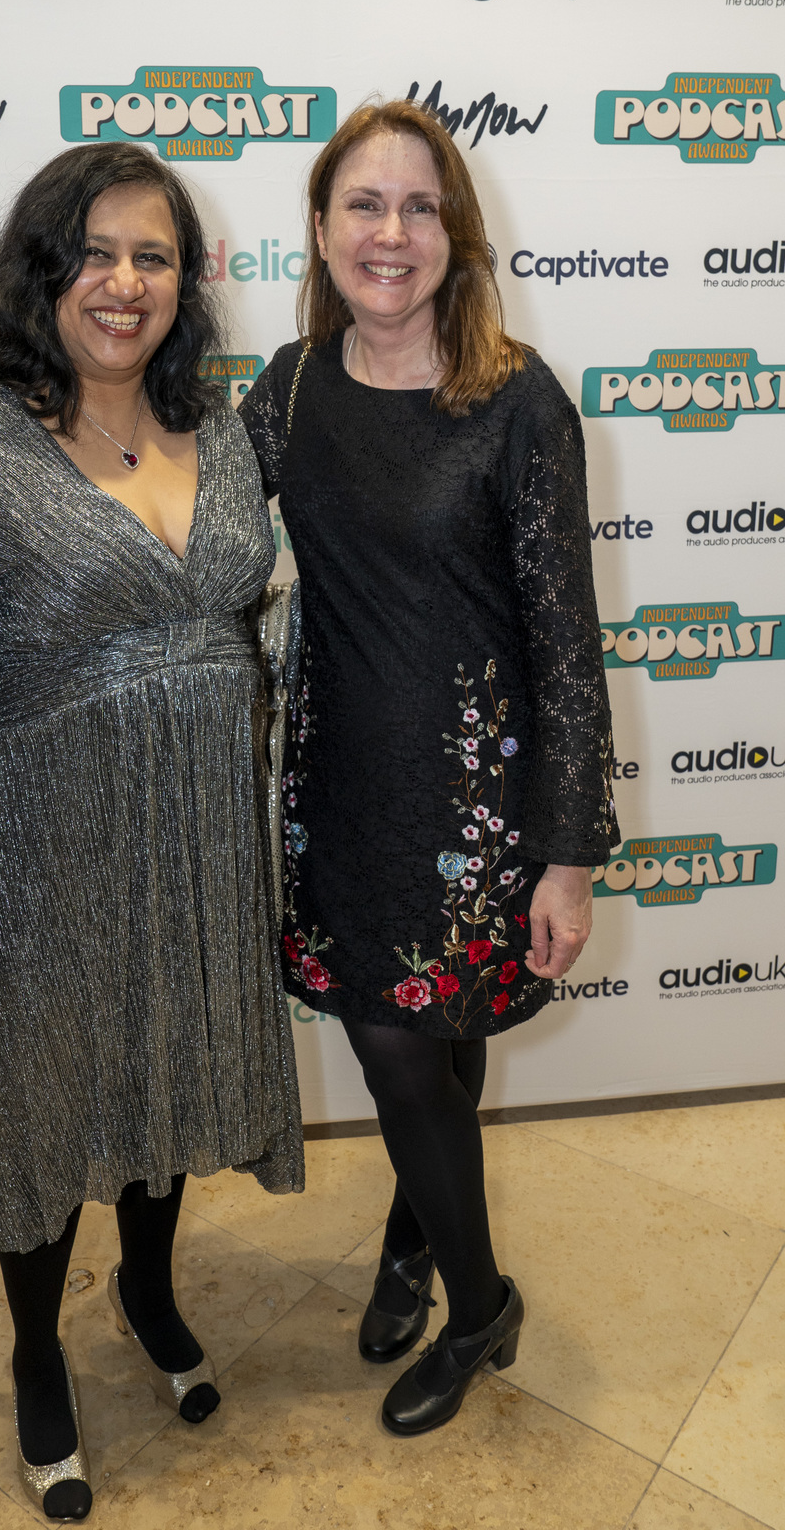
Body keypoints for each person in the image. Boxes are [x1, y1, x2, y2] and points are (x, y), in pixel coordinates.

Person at [0, 141, 303, 1521]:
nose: (123, 282)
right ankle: (38, 1350)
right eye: (92, 253)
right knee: (44, 1111)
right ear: (40, 275)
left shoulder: (225, 434)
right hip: (34, 857)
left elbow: (258, 619)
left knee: (165, 1076)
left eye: (152, 256)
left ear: (185, 283)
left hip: (197, 836)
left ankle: (149, 1295)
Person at [239, 98, 618, 1438]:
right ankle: (417, 1242)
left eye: (418, 207)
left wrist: (568, 854)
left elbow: (567, 643)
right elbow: (195, 535)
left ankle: (476, 1307)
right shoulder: (287, 388)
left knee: (419, 1050)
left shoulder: (517, 401)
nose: (389, 233)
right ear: (321, 227)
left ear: (455, 234)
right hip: (340, 793)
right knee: (418, 1054)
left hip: (476, 803)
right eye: (364, 204)